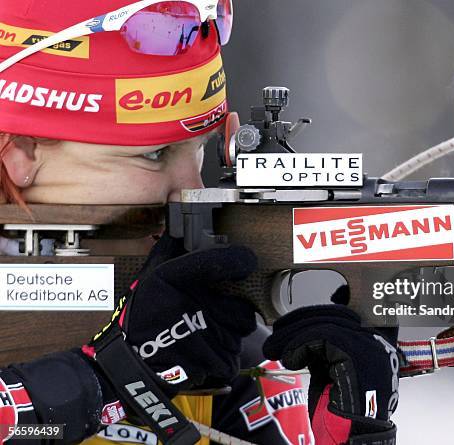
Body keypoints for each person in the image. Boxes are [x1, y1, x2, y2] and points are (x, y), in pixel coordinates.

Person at [0, 1, 400, 444]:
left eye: (202, 150)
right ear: (22, 154)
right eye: (152, 155)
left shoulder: (205, 346)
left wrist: (356, 430)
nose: (192, 189)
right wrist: (112, 378)